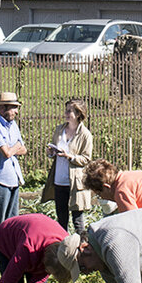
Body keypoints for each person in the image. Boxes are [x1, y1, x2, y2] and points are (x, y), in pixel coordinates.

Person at [0, 92, 27, 248]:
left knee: (12, 220)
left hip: (14, 176)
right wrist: (14, 147)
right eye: (13, 108)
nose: (16, 111)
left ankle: (8, 250)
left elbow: (24, 149)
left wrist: (12, 148)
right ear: (2, 108)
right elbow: (5, 152)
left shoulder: (13, 124)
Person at [41, 100, 93, 235]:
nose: (66, 113)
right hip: (59, 179)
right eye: (66, 110)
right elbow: (54, 146)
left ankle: (82, 248)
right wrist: (51, 152)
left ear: (78, 114)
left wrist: (70, 157)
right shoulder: (59, 129)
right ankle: (63, 247)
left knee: (77, 219)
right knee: (61, 218)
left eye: (69, 111)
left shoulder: (85, 135)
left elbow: (86, 159)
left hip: (75, 181)